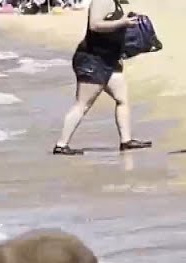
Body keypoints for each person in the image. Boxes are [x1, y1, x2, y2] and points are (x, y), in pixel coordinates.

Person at [51, 0, 152, 156]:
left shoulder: (115, 2)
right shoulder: (102, 1)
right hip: (92, 59)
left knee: (122, 99)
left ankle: (126, 141)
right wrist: (122, 22)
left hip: (109, 59)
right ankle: (61, 145)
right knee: (82, 104)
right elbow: (95, 25)